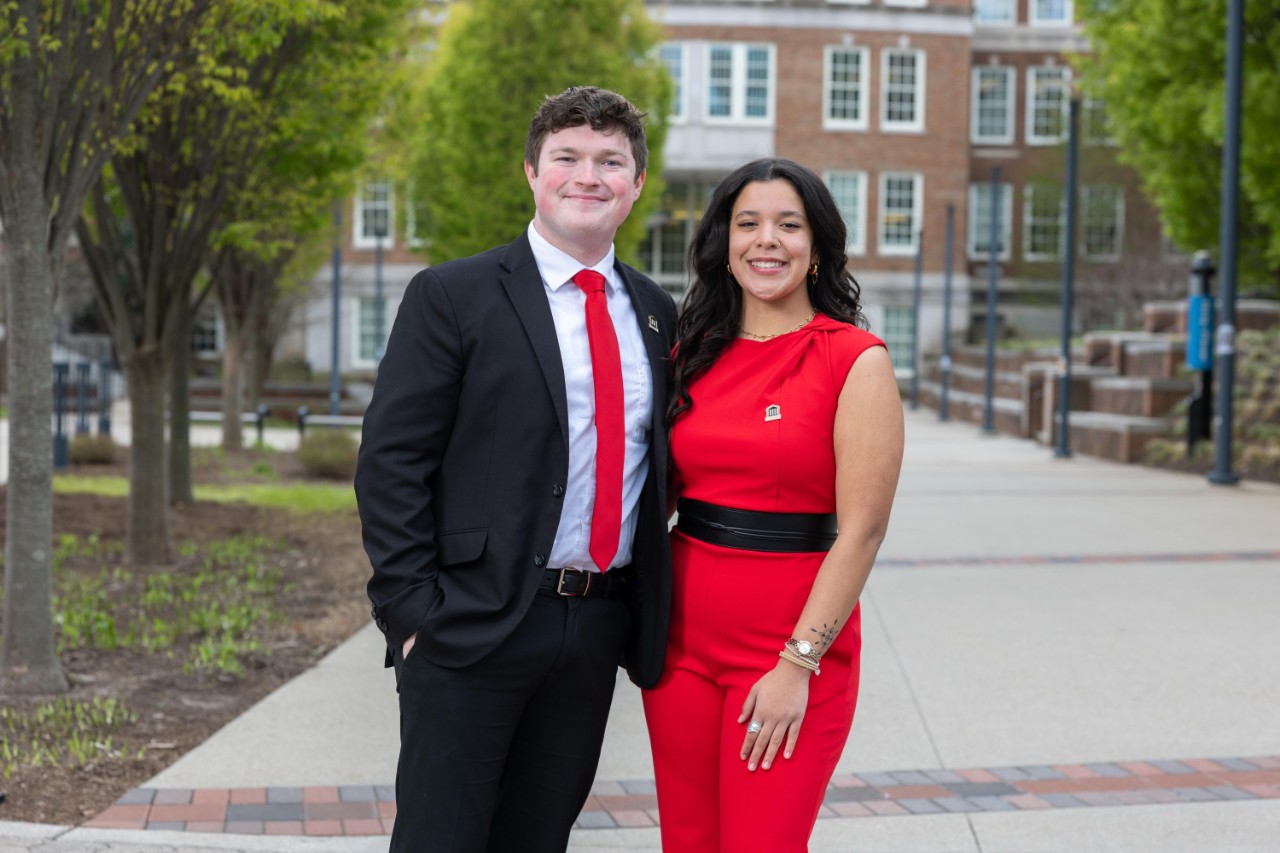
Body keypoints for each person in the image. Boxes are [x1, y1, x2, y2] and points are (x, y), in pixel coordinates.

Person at [354, 85, 676, 853]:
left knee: (537, 838)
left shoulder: (659, 311)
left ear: (636, 184)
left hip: (594, 624)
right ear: (532, 172)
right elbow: (391, 461)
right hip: (469, 621)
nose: (587, 175)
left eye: (610, 161)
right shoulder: (454, 294)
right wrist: (412, 615)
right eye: (567, 157)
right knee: (442, 839)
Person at [642, 157, 904, 852]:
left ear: (816, 246)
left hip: (786, 648)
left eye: (788, 225)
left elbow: (864, 531)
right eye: (748, 223)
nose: (767, 240)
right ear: (724, 244)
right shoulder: (692, 351)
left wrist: (796, 664)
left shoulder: (855, 359)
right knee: (689, 842)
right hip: (681, 647)